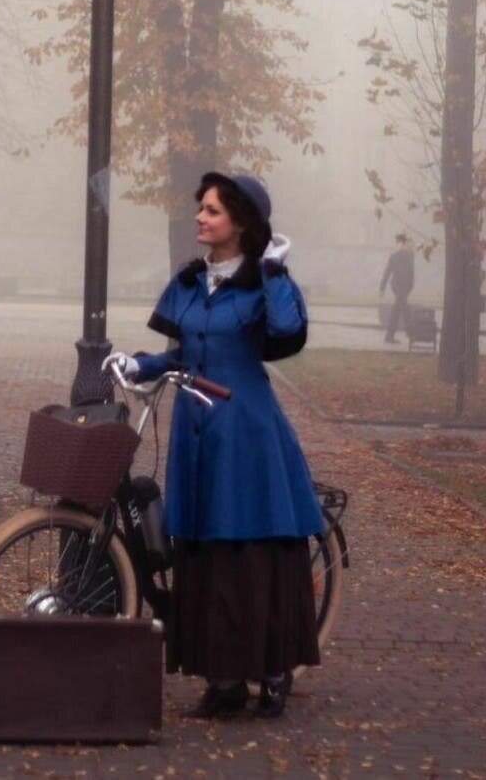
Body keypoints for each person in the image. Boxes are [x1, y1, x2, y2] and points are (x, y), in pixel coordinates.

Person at [104, 171, 323, 721]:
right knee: (203, 553)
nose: (200, 218)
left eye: (212, 211)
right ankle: (224, 679)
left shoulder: (263, 283)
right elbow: (181, 355)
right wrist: (140, 363)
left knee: (251, 550)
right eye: (200, 208)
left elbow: (287, 333)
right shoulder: (188, 283)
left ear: (241, 223)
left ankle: (272, 669)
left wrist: (272, 268)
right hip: (197, 433)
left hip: (246, 431)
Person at [379, 233, 415, 343]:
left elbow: (411, 273)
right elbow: (387, 272)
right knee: (404, 309)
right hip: (399, 287)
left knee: (401, 309)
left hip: (404, 288)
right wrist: (382, 287)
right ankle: (409, 334)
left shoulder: (409, 255)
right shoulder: (396, 256)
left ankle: (392, 336)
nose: (399, 245)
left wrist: (410, 287)